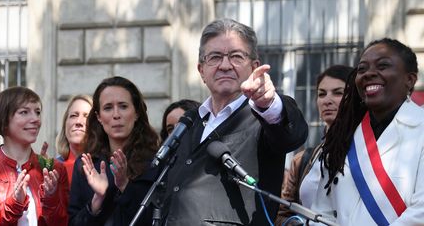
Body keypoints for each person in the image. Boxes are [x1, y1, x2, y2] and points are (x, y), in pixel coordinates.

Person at [159, 18, 308, 226]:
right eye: (215, 57)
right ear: (201, 70)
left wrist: (268, 103)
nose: (225, 65)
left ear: (254, 66)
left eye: (236, 56)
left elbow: (291, 135)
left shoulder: (263, 114)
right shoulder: (191, 120)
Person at [306, 38, 424, 225]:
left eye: (383, 65)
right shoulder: (342, 137)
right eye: (362, 69)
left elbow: (421, 212)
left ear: (410, 80)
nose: (369, 74)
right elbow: (322, 212)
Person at [68, 76, 160, 225]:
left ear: (136, 113)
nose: (116, 115)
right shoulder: (86, 164)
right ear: (98, 117)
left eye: (123, 106)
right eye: (108, 108)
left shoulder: (155, 162)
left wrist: (125, 186)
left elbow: (159, 219)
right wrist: (97, 199)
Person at [275, 65, 353, 225]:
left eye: (338, 92)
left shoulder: (368, 150)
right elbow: (282, 213)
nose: (327, 100)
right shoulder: (303, 159)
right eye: (321, 94)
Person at [0, 86, 69, 225]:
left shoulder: (55, 169)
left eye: (37, 112)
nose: (35, 119)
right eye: (24, 112)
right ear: (3, 120)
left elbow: (62, 222)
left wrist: (51, 198)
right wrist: (15, 203)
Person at [55, 94, 93, 184]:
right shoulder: (53, 169)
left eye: (86, 117)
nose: (78, 122)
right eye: (73, 116)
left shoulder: (106, 167)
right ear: (65, 125)